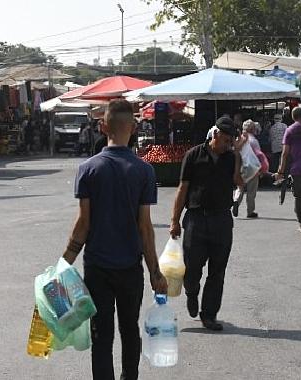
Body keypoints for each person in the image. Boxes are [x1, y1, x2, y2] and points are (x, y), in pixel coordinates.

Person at [61, 99, 167, 380]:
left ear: (102, 126)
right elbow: (145, 227)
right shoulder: (144, 171)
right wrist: (155, 273)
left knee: (102, 335)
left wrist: (62, 265)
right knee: (129, 330)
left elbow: (83, 225)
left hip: (97, 269)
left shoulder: (88, 169)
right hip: (130, 268)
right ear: (133, 128)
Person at [170, 116, 242, 331]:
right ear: (216, 134)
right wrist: (174, 220)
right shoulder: (193, 155)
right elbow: (182, 189)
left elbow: (239, 182)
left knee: (218, 270)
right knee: (191, 269)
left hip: (221, 218)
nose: (229, 144)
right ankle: (192, 293)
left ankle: (209, 314)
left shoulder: (232, 157)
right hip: (195, 219)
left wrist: (243, 168)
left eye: (232, 141)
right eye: (227, 139)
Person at [233, 119, 261, 218]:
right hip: (252, 167)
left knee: (240, 187)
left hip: (241, 166)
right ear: (252, 129)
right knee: (251, 191)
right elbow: (259, 155)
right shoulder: (253, 141)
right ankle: (250, 211)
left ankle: (236, 201)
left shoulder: (238, 139)